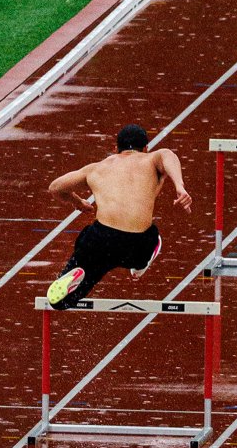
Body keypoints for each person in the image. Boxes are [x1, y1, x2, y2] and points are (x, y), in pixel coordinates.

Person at [45, 124, 192, 309]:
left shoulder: (96, 168)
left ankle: (76, 272)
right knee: (151, 241)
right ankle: (141, 264)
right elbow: (168, 154)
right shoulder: (152, 160)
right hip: (137, 243)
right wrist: (179, 185)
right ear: (146, 148)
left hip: (100, 240)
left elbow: (55, 187)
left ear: (116, 149)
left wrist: (77, 202)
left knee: (61, 302)